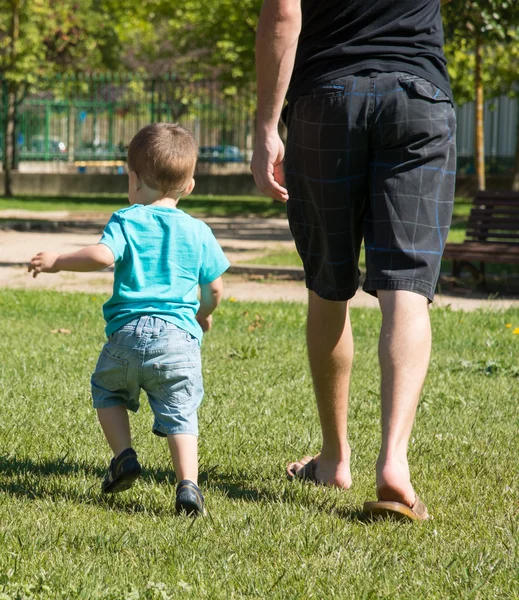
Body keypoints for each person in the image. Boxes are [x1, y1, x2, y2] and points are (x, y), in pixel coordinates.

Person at [251, 0, 456, 521]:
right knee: (406, 290)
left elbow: (282, 14)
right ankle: (394, 463)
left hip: (328, 98)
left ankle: (335, 458)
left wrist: (267, 126)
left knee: (329, 286)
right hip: (419, 97)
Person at [28, 123, 230, 516]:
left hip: (126, 335)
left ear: (132, 178)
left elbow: (103, 256)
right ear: (189, 186)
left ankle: (123, 456)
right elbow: (216, 287)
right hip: (179, 342)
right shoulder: (199, 231)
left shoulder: (127, 219)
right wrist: (203, 314)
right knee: (180, 413)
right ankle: (188, 485)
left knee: (107, 392)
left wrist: (57, 262)